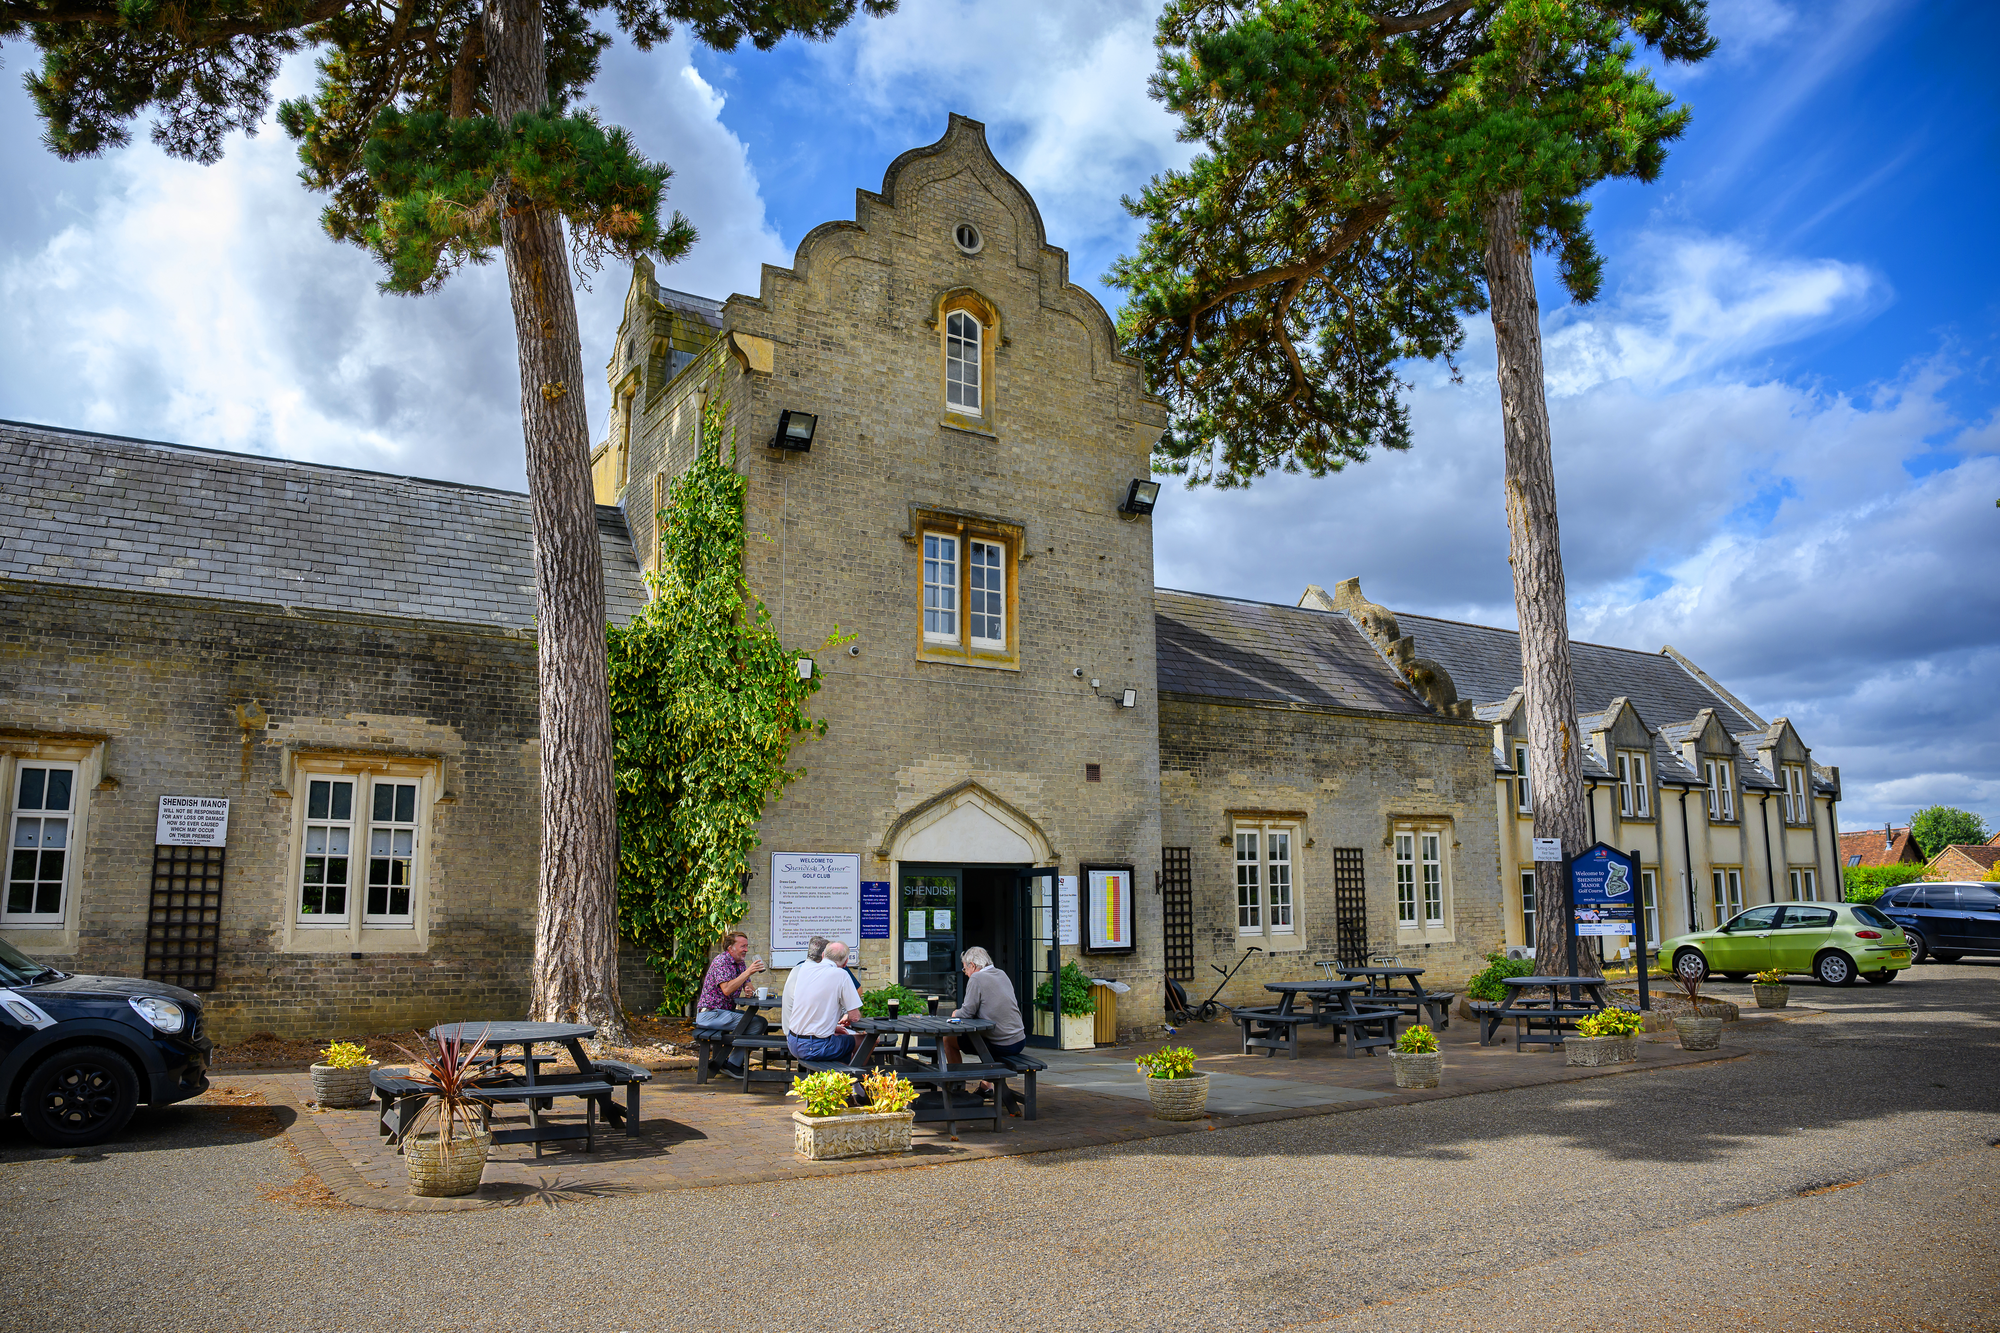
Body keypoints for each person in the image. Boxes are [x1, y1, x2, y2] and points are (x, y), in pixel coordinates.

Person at [942, 946, 1027, 1096]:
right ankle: (986, 1086)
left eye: (965, 969)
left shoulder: (977, 978)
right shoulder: (1001, 973)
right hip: (1019, 1040)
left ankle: (957, 1087)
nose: (966, 974)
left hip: (1002, 1043)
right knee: (984, 1038)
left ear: (972, 966)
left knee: (948, 1039)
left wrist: (956, 1013)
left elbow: (967, 1013)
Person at [785, 940, 864, 1064]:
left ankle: (844, 1079)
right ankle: (856, 1080)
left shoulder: (804, 969)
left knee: (841, 1041)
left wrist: (832, 1027)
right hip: (815, 1046)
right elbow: (854, 1017)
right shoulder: (841, 974)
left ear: (823, 956)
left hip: (792, 1042)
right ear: (846, 962)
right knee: (867, 1040)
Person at [695, 930, 766, 1027]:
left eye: (746, 946)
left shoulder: (740, 964)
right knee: (757, 1024)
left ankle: (734, 1041)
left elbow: (750, 988)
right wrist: (748, 972)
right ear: (730, 948)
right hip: (711, 1014)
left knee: (760, 1020)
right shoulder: (721, 962)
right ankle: (734, 1042)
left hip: (725, 1012)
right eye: (743, 946)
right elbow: (727, 990)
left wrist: (750, 992)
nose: (746, 950)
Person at [779, 935, 830, 1032]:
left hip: (791, 1032)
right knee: (857, 1039)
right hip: (802, 1036)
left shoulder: (798, 968)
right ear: (824, 955)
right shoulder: (815, 973)